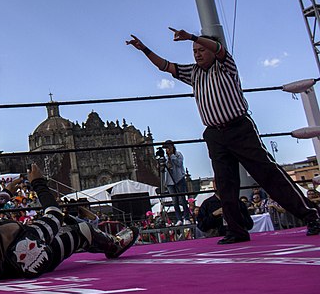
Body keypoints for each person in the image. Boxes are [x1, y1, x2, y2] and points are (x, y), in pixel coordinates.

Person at [127, 28, 320, 243]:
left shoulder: (225, 64)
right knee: (225, 184)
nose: (197, 53)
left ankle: (311, 215)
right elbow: (165, 66)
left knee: (267, 173)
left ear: (210, 50)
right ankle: (236, 229)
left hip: (238, 127)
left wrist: (191, 37)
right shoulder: (193, 73)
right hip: (214, 134)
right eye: (194, 50)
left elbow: (219, 49)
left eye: (201, 49)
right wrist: (144, 49)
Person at [0, 164, 139, 282]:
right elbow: (53, 215)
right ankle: (113, 244)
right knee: (81, 230)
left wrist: (6, 193)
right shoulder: (9, 231)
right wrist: (39, 183)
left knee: (56, 230)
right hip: (28, 258)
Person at [162, 141, 191, 225]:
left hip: (179, 179)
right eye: (166, 148)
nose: (167, 150)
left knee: (182, 199)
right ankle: (179, 219)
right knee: (174, 201)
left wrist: (172, 156)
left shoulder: (178, 154)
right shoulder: (165, 158)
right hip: (169, 181)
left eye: (168, 148)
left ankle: (186, 217)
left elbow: (179, 164)